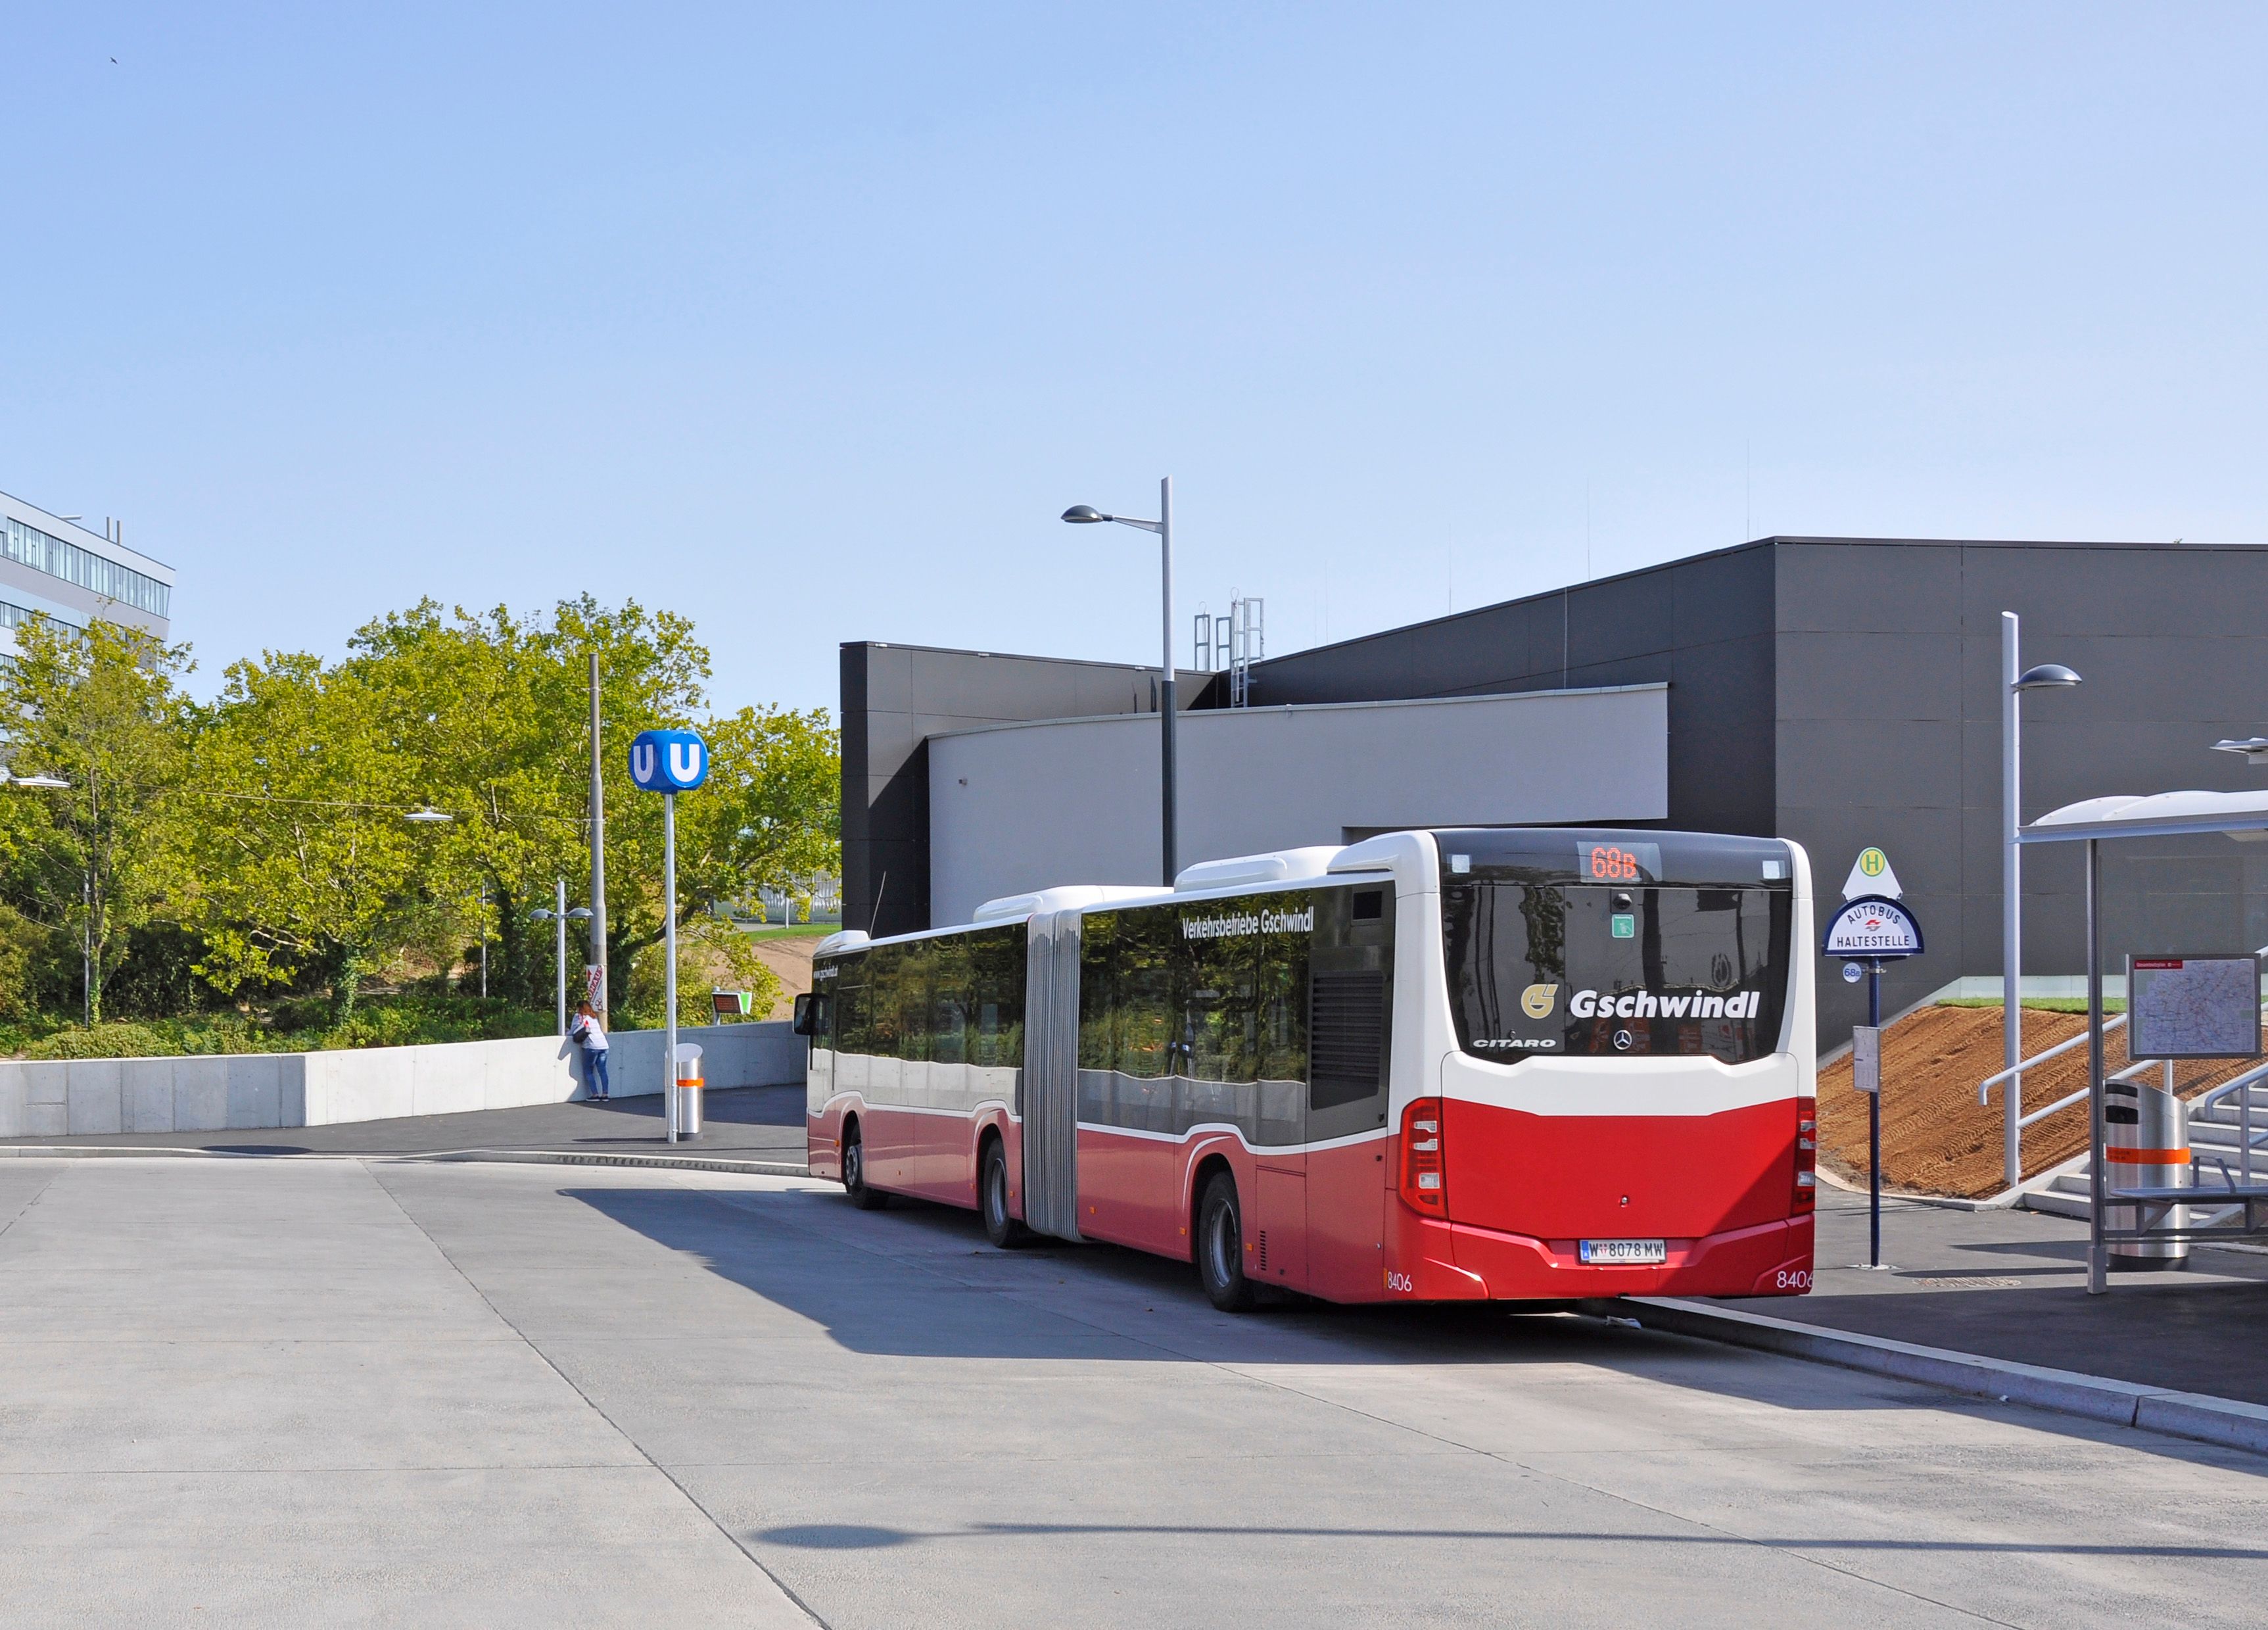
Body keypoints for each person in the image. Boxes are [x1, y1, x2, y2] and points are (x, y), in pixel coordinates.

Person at [570, 1000, 610, 1102]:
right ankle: (605, 1094)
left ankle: (595, 1094)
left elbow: (573, 1031)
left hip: (592, 1046)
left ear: (580, 1008)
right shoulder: (593, 1016)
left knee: (588, 1070)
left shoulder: (579, 1017)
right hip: (604, 1045)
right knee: (603, 1070)